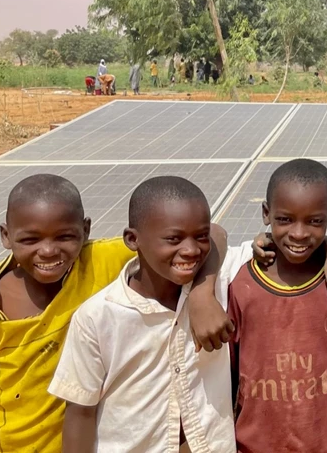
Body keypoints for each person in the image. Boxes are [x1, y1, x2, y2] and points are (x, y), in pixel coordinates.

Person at [0, 174, 230, 452]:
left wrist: (201, 296)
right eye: (30, 239)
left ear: (86, 230)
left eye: (65, 236)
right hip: (7, 446)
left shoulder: (98, 260)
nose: (49, 250)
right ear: (6, 236)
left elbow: (214, 234)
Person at [48, 177, 235, 451]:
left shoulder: (220, 281)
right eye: (173, 239)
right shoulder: (98, 317)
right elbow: (80, 413)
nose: (191, 250)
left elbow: (219, 233)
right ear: (132, 239)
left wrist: (202, 294)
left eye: (200, 237)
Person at [228, 159, 327, 452]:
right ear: (266, 214)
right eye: (285, 219)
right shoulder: (241, 284)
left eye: (314, 221)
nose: (299, 233)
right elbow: (227, 370)